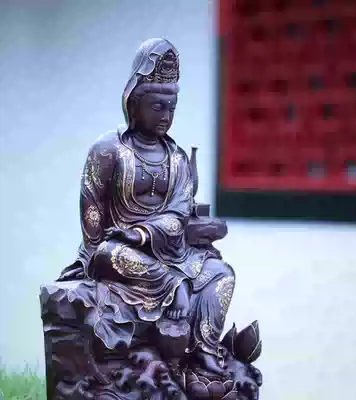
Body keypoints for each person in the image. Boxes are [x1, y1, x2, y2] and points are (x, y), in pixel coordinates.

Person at [58, 38, 235, 376]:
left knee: (222, 275)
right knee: (109, 254)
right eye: (157, 107)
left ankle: (204, 351)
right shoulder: (108, 150)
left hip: (168, 251)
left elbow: (179, 213)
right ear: (134, 103)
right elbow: (91, 206)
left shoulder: (177, 158)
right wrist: (101, 245)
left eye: (172, 108)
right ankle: (175, 289)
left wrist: (141, 234)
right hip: (117, 249)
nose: (166, 117)